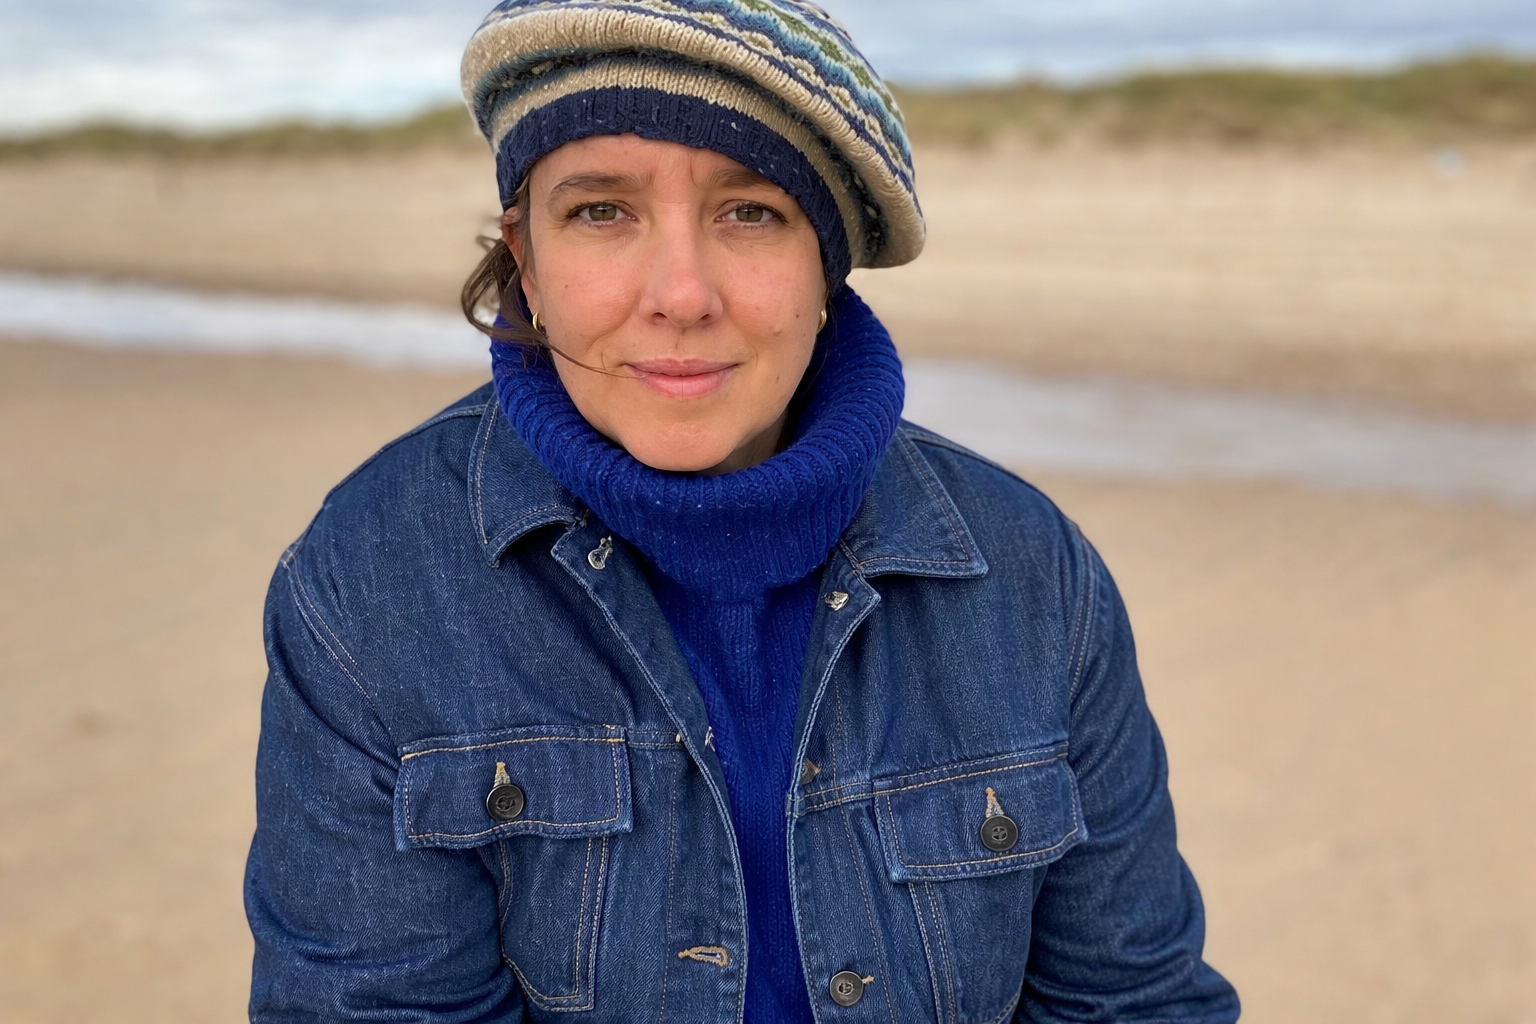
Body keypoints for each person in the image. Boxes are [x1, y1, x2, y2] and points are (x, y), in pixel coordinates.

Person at [244, 2, 1241, 1021]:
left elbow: (1133, 1002)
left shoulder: (1031, 572)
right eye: (601, 211)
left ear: (826, 264)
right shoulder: (370, 578)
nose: (682, 293)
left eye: (750, 211)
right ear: (528, 261)